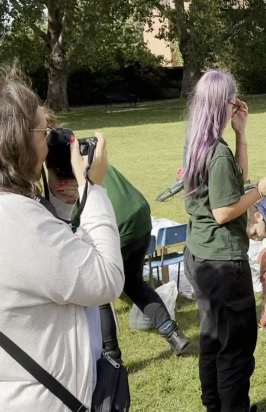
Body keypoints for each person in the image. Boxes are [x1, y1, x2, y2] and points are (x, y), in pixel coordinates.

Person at [0, 65, 123, 410]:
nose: (50, 142)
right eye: (44, 132)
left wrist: (59, 203)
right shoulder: (14, 218)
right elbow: (106, 278)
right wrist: (90, 188)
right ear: (16, 140)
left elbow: (43, 262)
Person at [182, 69, 266, 412]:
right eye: (231, 100)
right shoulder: (217, 154)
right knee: (235, 350)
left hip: (199, 256)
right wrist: (260, 192)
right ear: (219, 105)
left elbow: (233, 182)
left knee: (212, 340)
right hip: (222, 265)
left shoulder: (199, 143)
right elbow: (224, 210)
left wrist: (241, 134)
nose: (236, 104)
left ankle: (215, 406)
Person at [44, 147, 191, 357]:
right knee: (134, 283)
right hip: (140, 216)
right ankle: (173, 334)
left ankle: (111, 352)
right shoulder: (94, 158)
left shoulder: (72, 182)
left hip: (119, 223)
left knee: (101, 293)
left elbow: (76, 218)